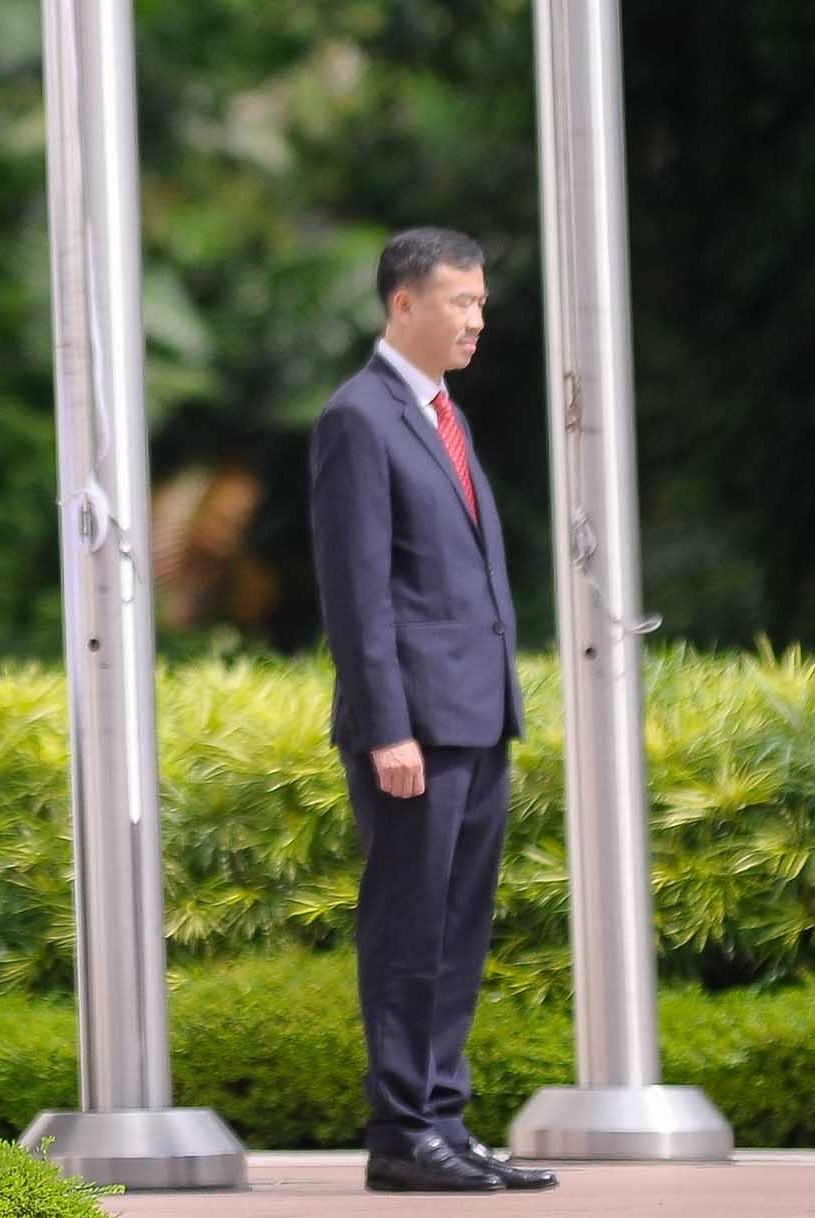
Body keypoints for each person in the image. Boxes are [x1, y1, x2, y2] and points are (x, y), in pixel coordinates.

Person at [309, 227, 556, 1193]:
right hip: (413, 729)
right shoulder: (358, 418)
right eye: (461, 301)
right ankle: (402, 1134)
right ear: (403, 304)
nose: (477, 319)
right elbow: (357, 591)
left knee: (458, 929)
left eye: (482, 303)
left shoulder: (442, 414)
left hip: (475, 716)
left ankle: (444, 1123)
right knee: (411, 929)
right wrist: (387, 727)